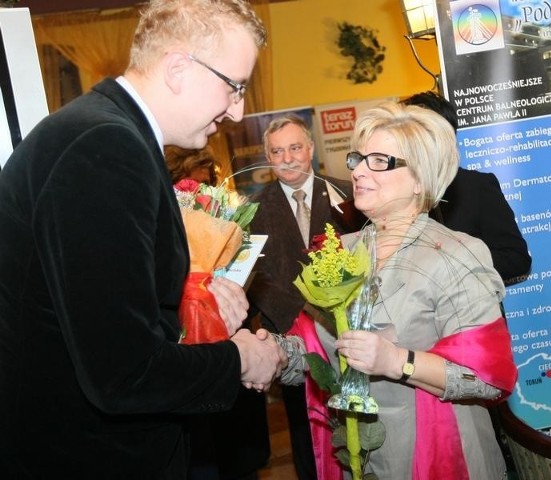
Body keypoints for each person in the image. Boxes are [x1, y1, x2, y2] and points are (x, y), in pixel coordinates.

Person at [0, 1, 287, 478]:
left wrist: (201, 303)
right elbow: (122, 373)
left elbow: (101, 309)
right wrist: (238, 357)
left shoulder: (103, 132)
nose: (237, 110)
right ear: (178, 67)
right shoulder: (103, 148)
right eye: (234, 87)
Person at [279, 102, 517, 479]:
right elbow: (310, 347)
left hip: (441, 454)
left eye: (378, 161)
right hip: (358, 455)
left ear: (420, 179)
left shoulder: (456, 255)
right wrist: (265, 354)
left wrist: (397, 361)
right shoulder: (340, 251)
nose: (356, 170)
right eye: (358, 158)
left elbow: (488, 380)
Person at [247, 113, 363, 480]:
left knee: (361, 418)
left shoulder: (350, 194)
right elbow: (255, 278)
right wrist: (302, 319)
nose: (287, 158)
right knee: (305, 429)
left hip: (350, 332)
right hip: (291, 338)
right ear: (268, 157)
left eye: (295, 147)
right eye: (277, 151)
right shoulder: (251, 211)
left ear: (311, 148)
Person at [165, 145, 270, 480]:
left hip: (227, 357)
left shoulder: (225, 220)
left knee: (237, 461)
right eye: (194, 184)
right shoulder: (156, 227)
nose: (204, 193)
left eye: (208, 182)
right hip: (188, 364)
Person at [403, 91, 531, 282]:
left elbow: (516, 259)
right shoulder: (392, 190)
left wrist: (454, 264)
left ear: (444, 136)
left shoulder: (476, 186)